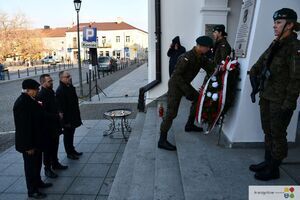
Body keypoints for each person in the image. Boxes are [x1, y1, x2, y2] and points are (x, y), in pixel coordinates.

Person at [249, 8, 300, 181]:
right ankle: (268, 161)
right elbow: (262, 60)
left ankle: (274, 168)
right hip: (267, 95)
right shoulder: (276, 43)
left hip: (281, 100)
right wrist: (253, 73)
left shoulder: (294, 48)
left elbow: (296, 79)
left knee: (278, 133)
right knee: (268, 131)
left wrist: (289, 104)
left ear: (290, 25)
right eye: (275, 22)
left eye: (278, 22)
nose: (274, 26)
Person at [158, 36, 215, 151]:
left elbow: (211, 68)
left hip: (184, 84)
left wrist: (220, 69)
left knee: (197, 99)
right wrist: (187, 91)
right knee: (171, 113)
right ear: (201, 46)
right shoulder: (186, 57)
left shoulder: (200, 57)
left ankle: (189, 124)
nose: (209, 50)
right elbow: (176, 76)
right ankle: (162, 140)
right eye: (207, 48)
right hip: (175, 85)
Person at [13, 79, 52, 199]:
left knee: (37, 164)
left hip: (37, 140)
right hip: (29, 144)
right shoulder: (22, 103)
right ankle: (32, 190)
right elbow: (23, 128)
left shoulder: (31, 99)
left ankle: (38, 182)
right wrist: (28, 146)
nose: (37, 91)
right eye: (36, 89)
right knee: (30, 168)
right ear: (28, 90)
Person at [37, 74, 68, 178]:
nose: (51, 82)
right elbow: (42, 114)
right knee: (47, 150)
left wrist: (59, 111)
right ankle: (47, 169)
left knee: (55, 147)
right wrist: (56, 115)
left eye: (51, 80)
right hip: (47, 128)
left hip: (55, 126)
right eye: (49, 81)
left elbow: (56, 104)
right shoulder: (41, 95)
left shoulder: (51, 92)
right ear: (42, 83)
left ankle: (55, 163)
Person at [56, 71, 83, 160]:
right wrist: (65, 122)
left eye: (69, 76)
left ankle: (72, 149)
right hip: (67, 119)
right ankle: (69, 153)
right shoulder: (60, 90)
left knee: (71, 135)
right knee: (67, 136)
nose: (69, 78)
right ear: (61, 78)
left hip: (73, 116)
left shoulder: (70, 86)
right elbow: (61, 108)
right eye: (67, 77)